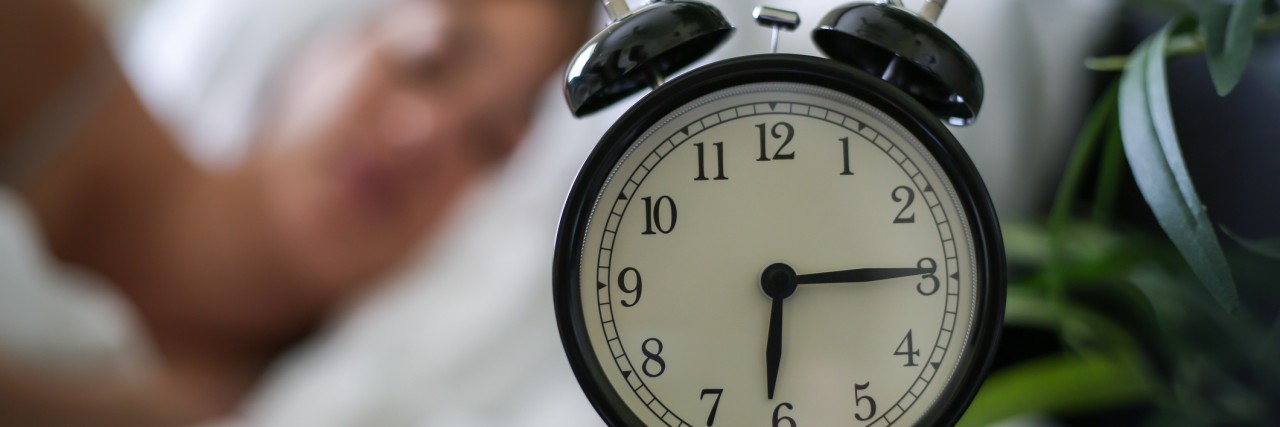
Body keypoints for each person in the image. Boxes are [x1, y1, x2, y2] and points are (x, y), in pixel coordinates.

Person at [0, 0, 592, 425]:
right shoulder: (35, 51)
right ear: (333, 38)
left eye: (490, 147)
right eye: (426, 61)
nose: (422, 134)